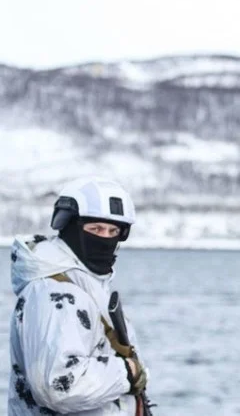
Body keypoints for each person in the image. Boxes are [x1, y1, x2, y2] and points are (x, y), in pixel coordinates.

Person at [8, 177, 149, 416]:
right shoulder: (55, 292)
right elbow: (58, 387)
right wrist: (127, 371)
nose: (105, 238)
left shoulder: (84, 284)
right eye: (95, 229)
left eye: (113, 231)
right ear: (70, 226)